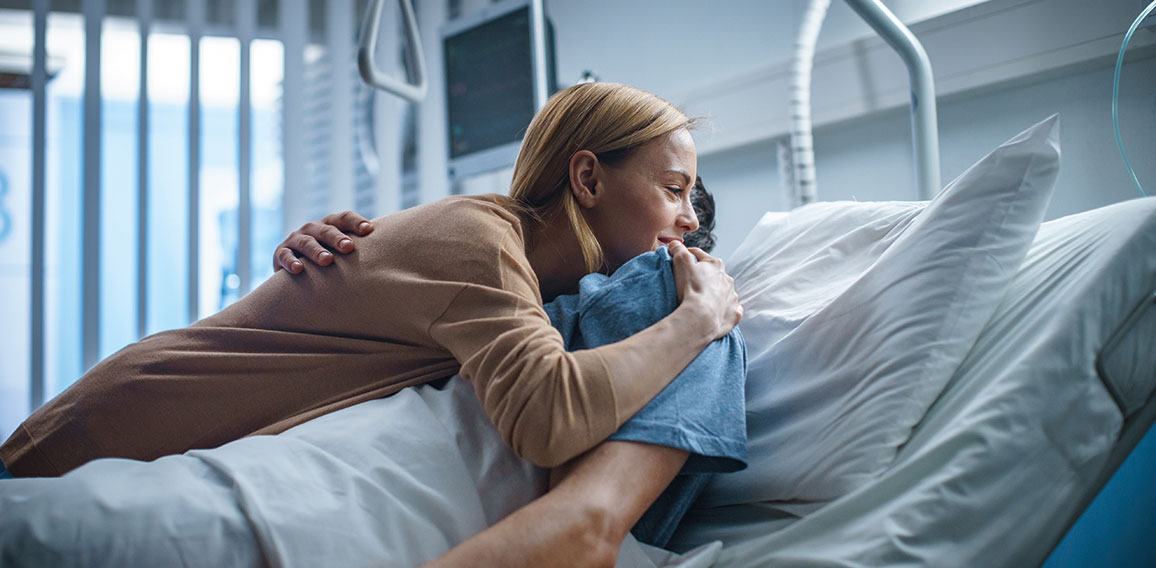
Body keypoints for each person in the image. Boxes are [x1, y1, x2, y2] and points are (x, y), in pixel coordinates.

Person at [0, 82, 743, 566]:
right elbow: (548, 416)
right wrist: (699, 320)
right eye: (674, 189)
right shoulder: (480, 243)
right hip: (102, 436)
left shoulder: (509, 267)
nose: (687, 220)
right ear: (586, 178)